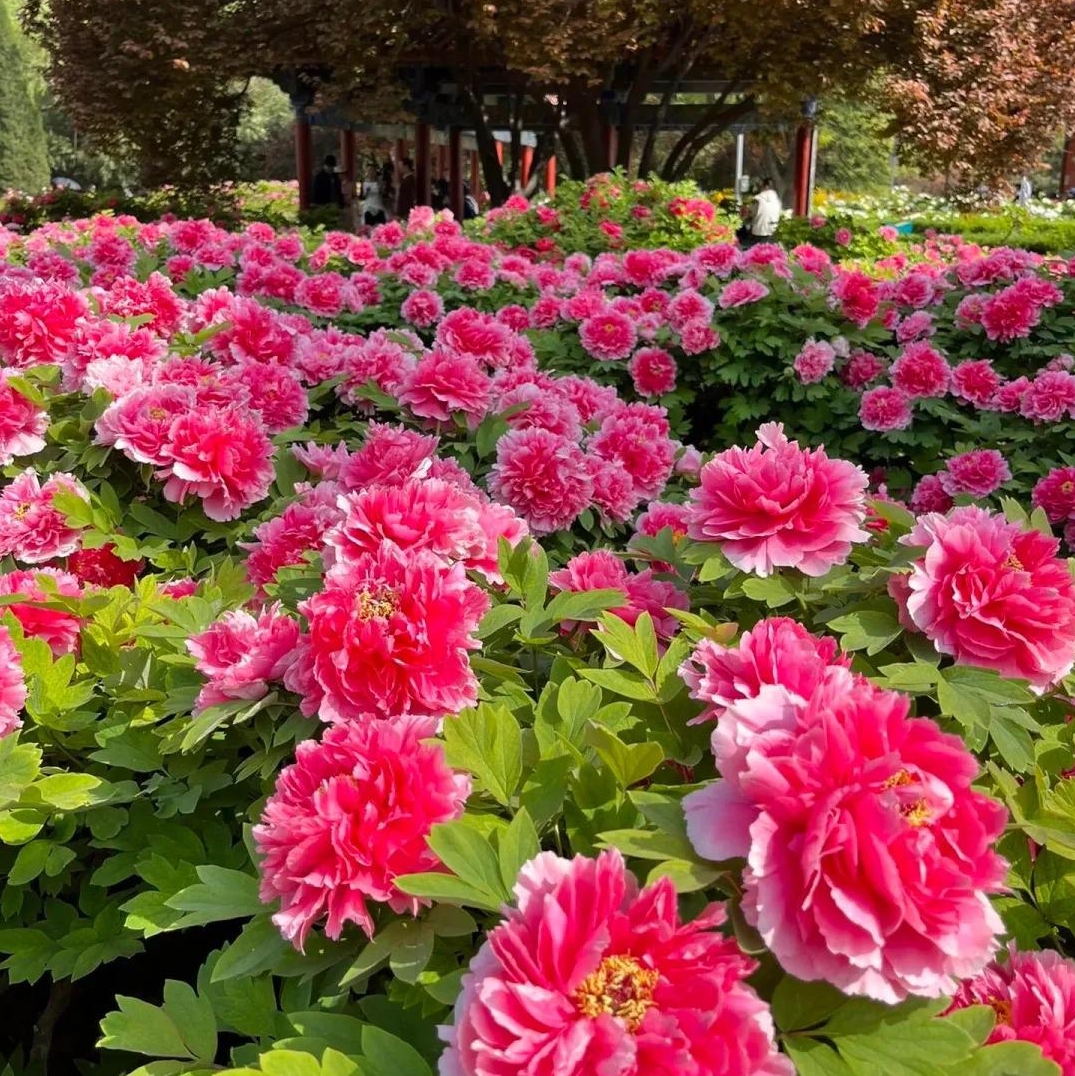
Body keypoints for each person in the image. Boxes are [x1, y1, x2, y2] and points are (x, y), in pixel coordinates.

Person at [737, 177, 781, 247]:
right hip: (772, 234)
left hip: (758, 234)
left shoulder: (758, 199)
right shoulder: (777, 200)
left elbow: (745, 216)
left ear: (765, 186)